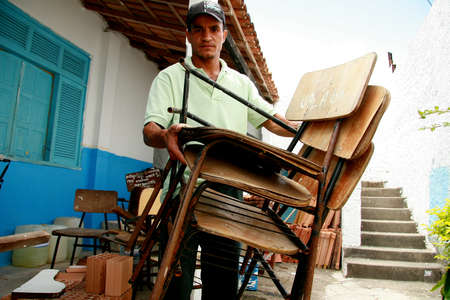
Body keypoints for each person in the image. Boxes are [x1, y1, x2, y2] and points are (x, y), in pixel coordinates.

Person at [142, 1, 298, 299]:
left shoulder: (240, 84)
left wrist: (302, 129)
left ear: (224, 35)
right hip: (181, 192)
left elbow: (272, 121)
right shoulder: (171, 77)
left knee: (223, 284)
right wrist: (165, 135)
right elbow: (150, 130)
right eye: (198, 29)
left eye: (214, 29)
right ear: (188, 35)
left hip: (228, 196)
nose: (207, 36)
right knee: (175, 284)